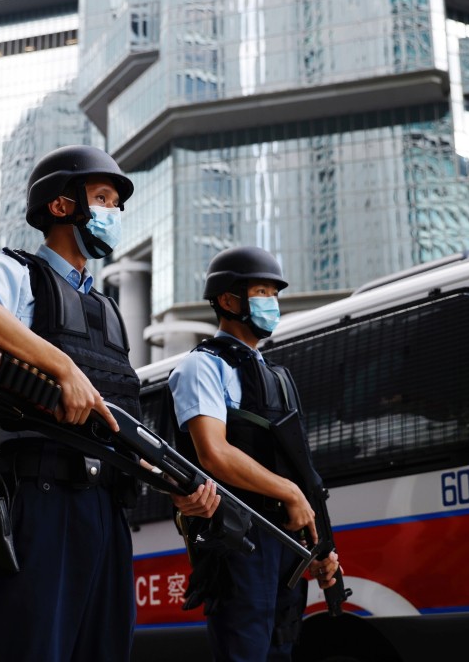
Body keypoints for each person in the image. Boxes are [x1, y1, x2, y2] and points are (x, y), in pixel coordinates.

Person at [0, 145, 219, 662]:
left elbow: (117, 418)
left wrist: (179, 489)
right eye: (103, 197)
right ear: (63, 206)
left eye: (116, 203)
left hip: (107, 510)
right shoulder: (18, 273)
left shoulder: (109, 312)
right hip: (43, 498)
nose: (114, 212)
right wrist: (62, 368)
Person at [168, 245, 341, 661]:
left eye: (275, 294)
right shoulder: (202, 367)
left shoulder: (276, 376)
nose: (272, 303)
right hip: (240, 538)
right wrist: (290, 494)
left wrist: (321, 546)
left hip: (286, 541)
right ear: (228, 301)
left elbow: (300, 467)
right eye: (262, 292)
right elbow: (213, 453)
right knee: (245, 650)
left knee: (281, 647)